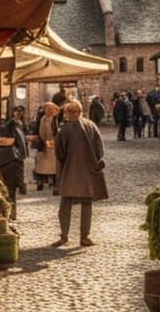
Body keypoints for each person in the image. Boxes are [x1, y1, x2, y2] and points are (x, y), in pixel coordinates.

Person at [53, 101, 108, 247]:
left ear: (70, 113)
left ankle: (64, 236)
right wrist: (96, 160)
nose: (69, 115)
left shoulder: (64, 129)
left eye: (70, 112)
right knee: (86, 205)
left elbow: (59, 152)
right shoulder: (90, 125)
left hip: (70, 171)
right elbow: (99, 148)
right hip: (88, 171)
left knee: (65, 205)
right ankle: (84, 237)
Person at [0, 113, 28, 219]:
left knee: (8, 191)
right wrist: (21, 183)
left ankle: (10, 214)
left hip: (7, 164)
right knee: (9, 192)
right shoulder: (15, 132)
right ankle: (10, 214)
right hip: (9, 165)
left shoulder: (12, 133)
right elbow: (21, 156)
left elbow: (21, 157)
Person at [33, 102, 59, 191]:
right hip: (45, 145)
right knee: (42, 165)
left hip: (52, 145)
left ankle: (53, 184)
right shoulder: (43, 118)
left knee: (53, 166)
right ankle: (41, 182)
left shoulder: (53, 119)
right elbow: (40, 131)